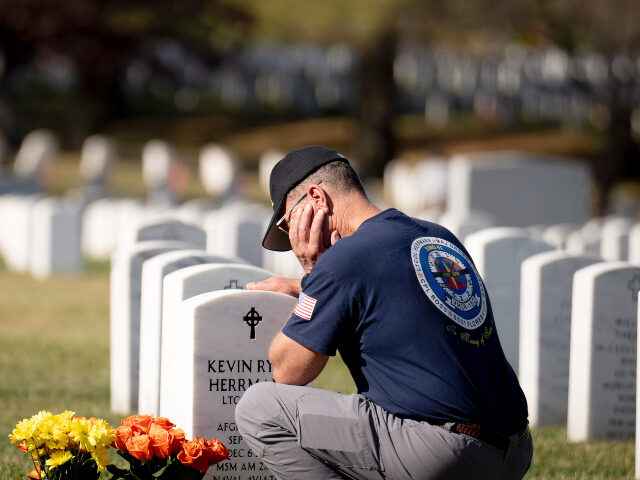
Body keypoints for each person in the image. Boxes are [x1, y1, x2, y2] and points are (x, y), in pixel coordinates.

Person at [235, 145, 533, 480]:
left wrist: (312, 272)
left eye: (289, 222)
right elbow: (379, 292)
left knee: (259, 407)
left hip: (445, 456)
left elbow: (289, 370)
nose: (293, 239)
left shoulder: (343, 261)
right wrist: (309, 286)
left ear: (316, 198)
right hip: (514, 452)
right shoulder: (436, 236)